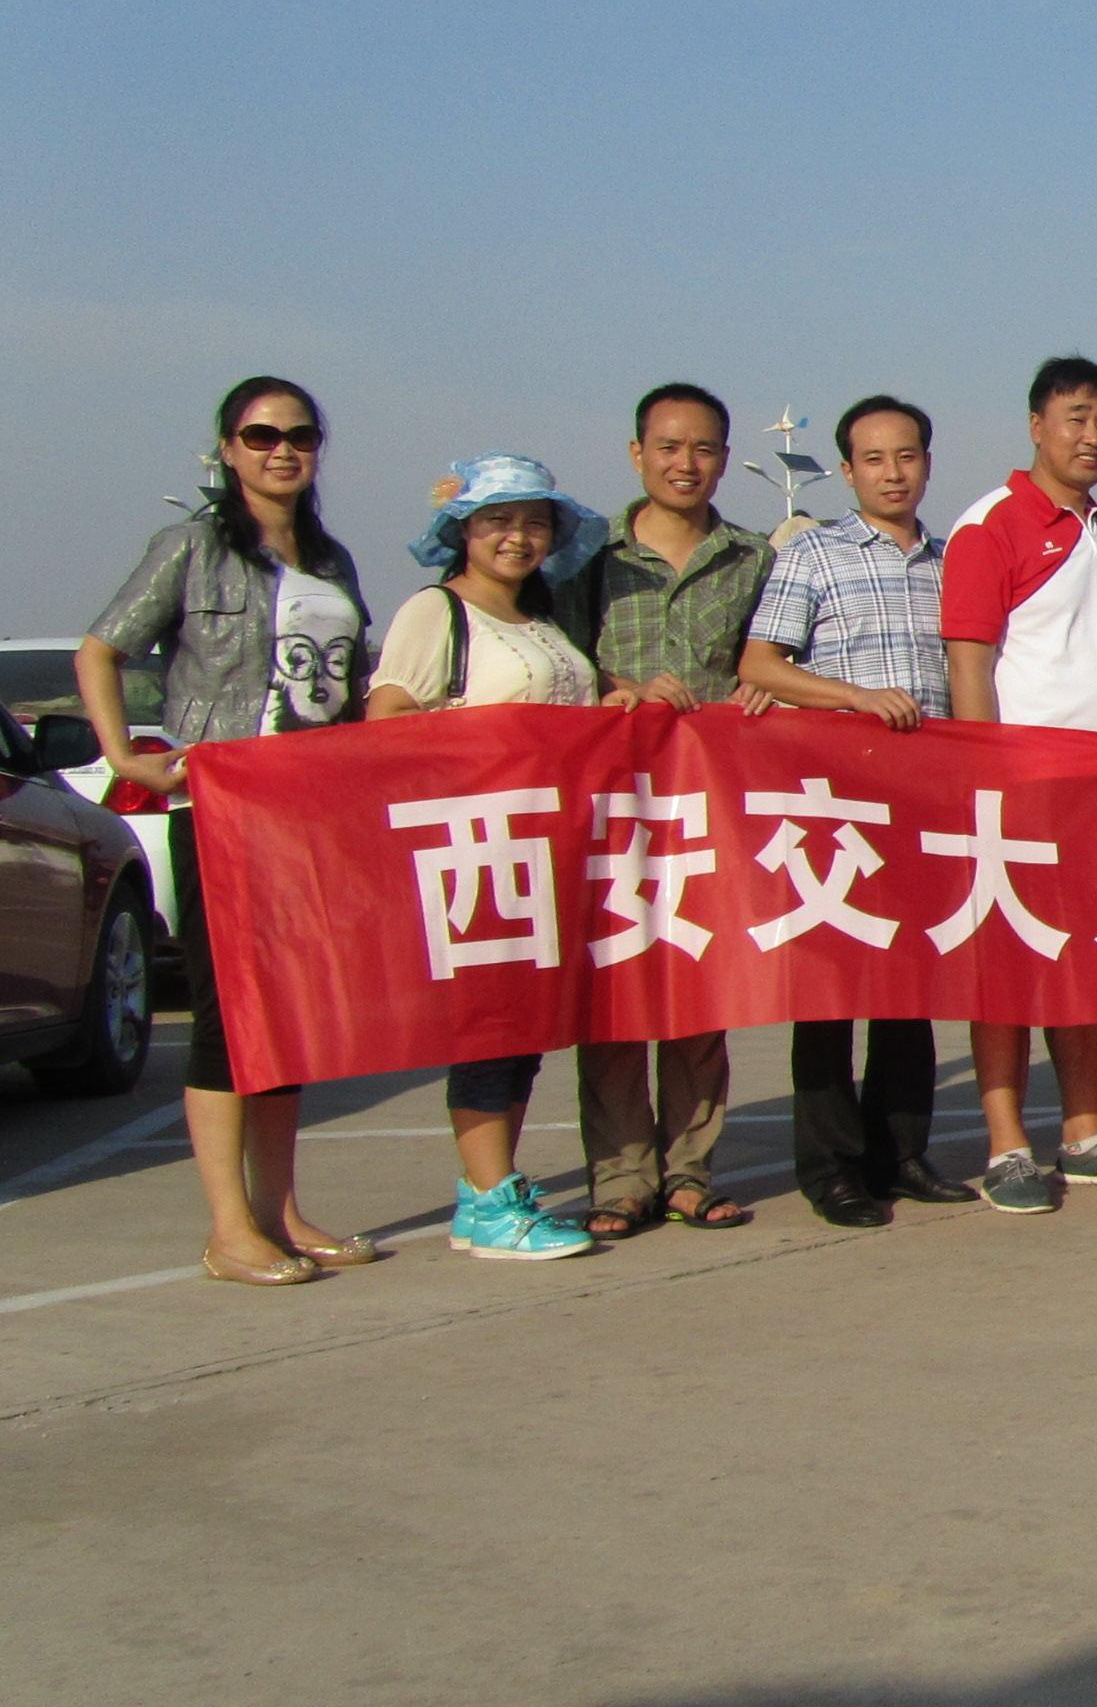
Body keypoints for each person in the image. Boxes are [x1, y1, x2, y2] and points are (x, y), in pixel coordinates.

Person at [76, 376, 377, 1287]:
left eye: (299, 435)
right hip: (223, 810)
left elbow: (348, 691)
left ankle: (280, 1210)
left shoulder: (331, 559)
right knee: (226, 1017)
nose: (281, 450)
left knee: (289, 1018)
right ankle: (228, 1229)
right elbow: (102, 647)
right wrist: (124, 756)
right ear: (227, 449)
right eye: (260, 436)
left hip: (308, 814)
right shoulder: (192, 546)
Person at [940, 356, 1097, 1213]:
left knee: (1085, 961)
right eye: (1077, 417)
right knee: (1007, 970)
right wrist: (988, 785)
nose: (1094, 435)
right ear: (1037, 426)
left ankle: (1085, 1137)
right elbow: (968, 662)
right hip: (1021, 793)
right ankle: (1007, 1148)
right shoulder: (992, 525)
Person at [364, 457, 618, 1263]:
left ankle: (489, 1194)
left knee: (522, 1029)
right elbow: (388, 719)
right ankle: (490, 1196)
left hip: (546, 855)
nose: (518, 537)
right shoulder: (435, 612)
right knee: (486, 1026)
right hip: (477, 850)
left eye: (534, 522)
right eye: (498, 521)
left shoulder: (541, 621)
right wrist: (481, 751)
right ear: (462, 532)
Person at [735, 394, 975, 1229]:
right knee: (831, 989)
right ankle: (833, 1168)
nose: (892, 473)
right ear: (846, 471)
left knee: (910, 983)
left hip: (927, 801)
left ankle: (901, 1153)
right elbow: (761, 664)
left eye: (906, 456)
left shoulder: (955, 562)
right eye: (874, 459)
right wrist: (853, 698)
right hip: (837, 805)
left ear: (927, 463)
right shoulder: (815, 554)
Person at [561, 382, 771, 1239]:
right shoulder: (584, 559)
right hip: (609, 806)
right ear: (637, 453)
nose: (687, 464)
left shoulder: (752, 558)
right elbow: (555, 663)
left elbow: (771, 657)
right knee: (614, 994)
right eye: (670, 447)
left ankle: (689, 1173)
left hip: (708, 806)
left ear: (724, 458)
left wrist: (764, 687)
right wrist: (615, 689)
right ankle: (620, 1179)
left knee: (697, 991)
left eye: (704, 448)